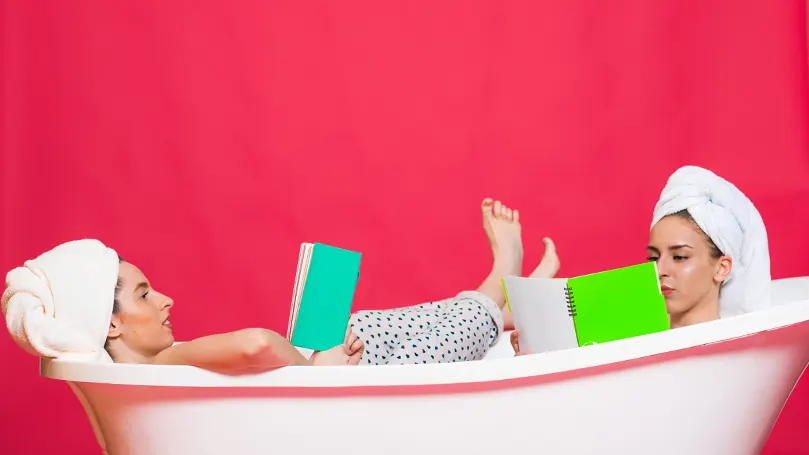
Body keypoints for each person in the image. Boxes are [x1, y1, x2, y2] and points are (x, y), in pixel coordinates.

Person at [2, 198, 558, 372]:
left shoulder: (156, 370)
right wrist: (316, 372)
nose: (166, 299)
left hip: (332, 370)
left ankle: (502, 300)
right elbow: (257, 345)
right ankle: (501, 287)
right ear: (111, 321)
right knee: (400, 330)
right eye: (144, 293)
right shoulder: (164, 363)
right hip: (336, 381)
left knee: (401, 323)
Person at [510, 165, 772, 356]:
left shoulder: (732, 353)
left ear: (722, 267)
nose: (660, 270)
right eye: (653, 257)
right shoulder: (628, 340)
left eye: (680, 257)